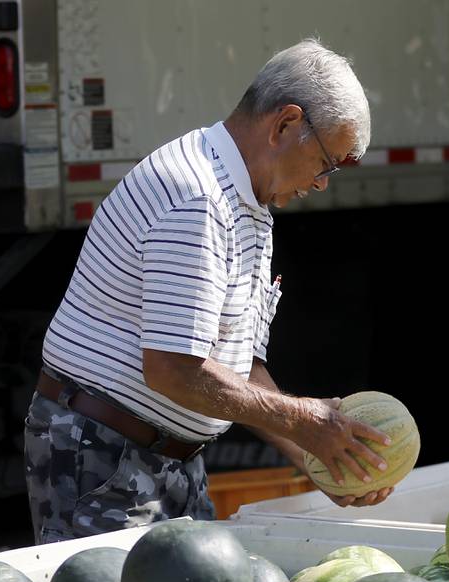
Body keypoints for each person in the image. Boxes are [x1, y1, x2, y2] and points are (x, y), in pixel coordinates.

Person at [23, 38, 395, 544]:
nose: (322, 182)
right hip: (103, 454)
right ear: (285, 125)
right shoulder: (197, 199)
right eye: (328, 162)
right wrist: (304, 420)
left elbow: (237, 367)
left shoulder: (248, 202)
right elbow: (174, 369)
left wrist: (313, 453)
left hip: (161, 455)